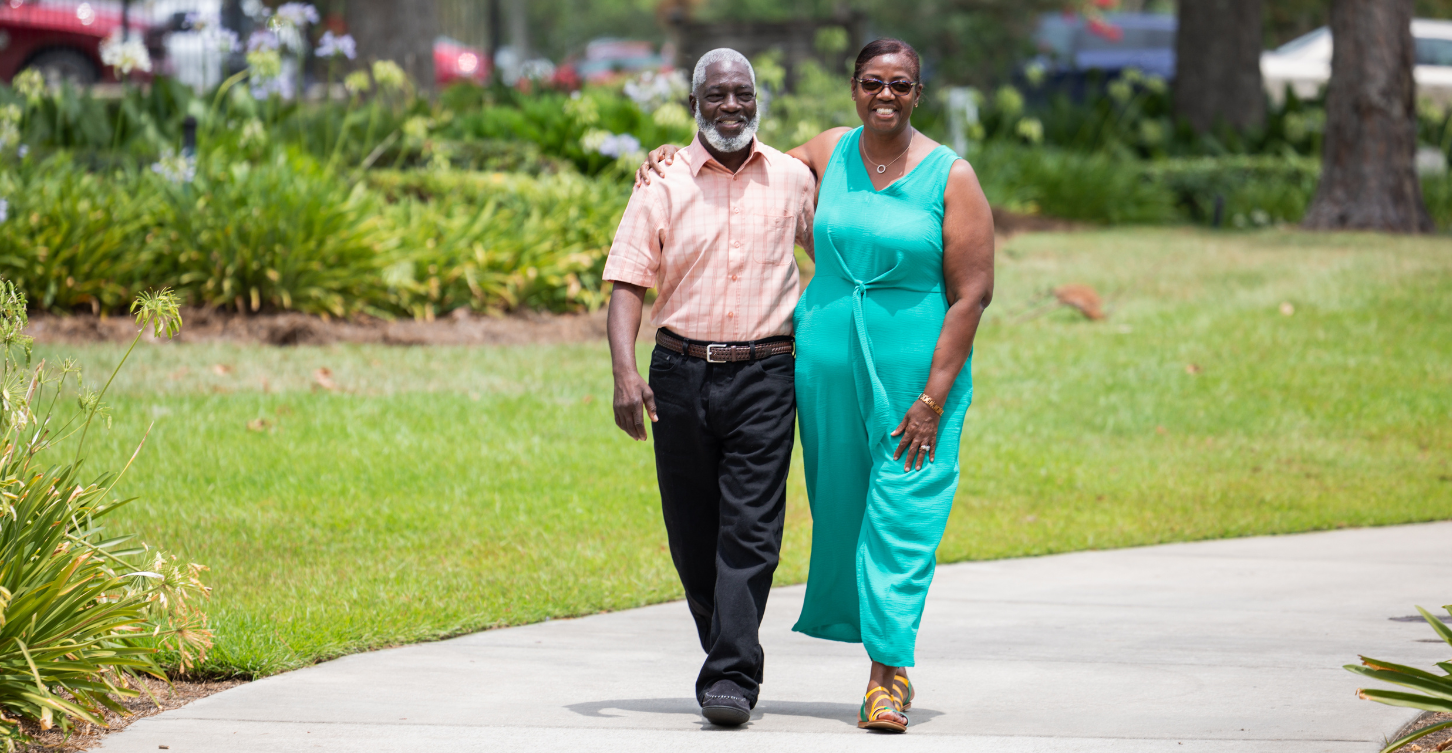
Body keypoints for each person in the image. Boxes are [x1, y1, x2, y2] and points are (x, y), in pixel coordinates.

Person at [637, 38, 995, 733]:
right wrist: (673, 156)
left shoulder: (953, 176)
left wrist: (933, 397)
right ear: (854, 88)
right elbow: (742, 163)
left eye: (899, 84)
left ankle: (887, 674)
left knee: (903, 512)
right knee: (844, 511)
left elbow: (973, 294)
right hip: (824, 368)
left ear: (918, 93)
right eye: (871, 82)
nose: (884, 94)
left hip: (914, 375)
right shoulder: (830, 151)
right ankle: (857, 647)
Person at [603, 47, 816, 728]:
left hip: (766, 373)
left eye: (742, 94)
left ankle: (729, 674)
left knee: (751, 530)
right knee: (693, 534)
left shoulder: (791, 179)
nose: (730, 106)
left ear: (758, 100)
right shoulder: (661, 182)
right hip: (679, 375)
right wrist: (624, 372)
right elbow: (628, 282)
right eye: (716, 95)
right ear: (695, 105)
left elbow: (840, 258)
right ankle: (727, 646)